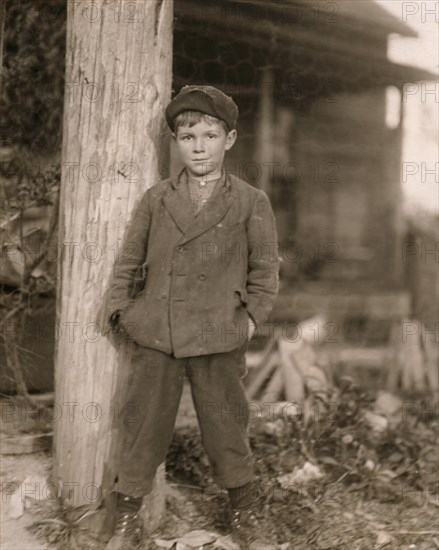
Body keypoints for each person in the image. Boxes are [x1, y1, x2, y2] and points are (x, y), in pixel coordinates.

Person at [106, 85, 279, 549]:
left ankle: (244, 511)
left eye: (209, 135)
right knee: (144, 424)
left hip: (218, 333)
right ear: (175, 142)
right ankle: (124, 518)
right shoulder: (156, 198)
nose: (198, 146)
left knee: (226, 425)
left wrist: (249, 320)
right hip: (158, 331)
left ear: (230, 139)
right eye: (187, 137)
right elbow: (128, 260)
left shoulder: (249, 201)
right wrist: (121, 311)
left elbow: (265, 270)